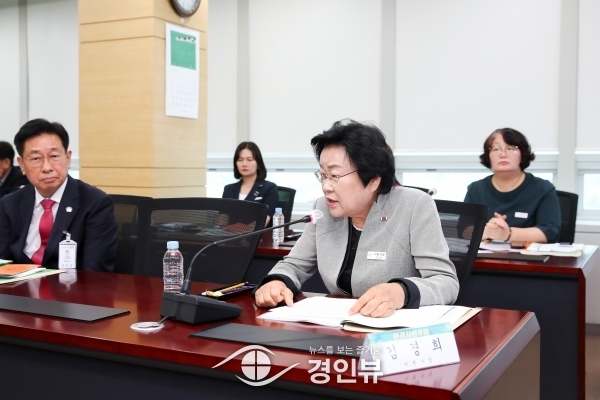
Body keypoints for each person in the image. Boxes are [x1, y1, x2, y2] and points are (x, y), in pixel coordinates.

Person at [254, 119, 458, 317]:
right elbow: (294, 265)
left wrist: (401, 292)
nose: (326, 186)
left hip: (395, 329)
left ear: (373, 180)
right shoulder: (323, 208)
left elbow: (445, 282)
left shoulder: (414, 205)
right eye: (323, 175)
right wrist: (277, 282)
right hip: (339, 326)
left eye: (335, 176)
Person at [0, 118, 118, 271]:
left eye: (54, 156)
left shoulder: (95, 203)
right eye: (36, 159)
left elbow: (94, 272)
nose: (47, 167)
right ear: (22, 164)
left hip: (70, 285)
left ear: (68, 158)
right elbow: (3, 264)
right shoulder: (9, 204)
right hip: (18, 285)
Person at [464, 128, 560, 243]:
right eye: (496, 149)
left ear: (522, 153)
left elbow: (550, 231)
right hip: (485, 254)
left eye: (510, 148)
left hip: (528, 254)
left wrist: (508, 234)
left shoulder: (542, 188)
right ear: (488, 156)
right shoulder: (475, 189)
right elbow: (463, 229)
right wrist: (485, 231)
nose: (503, 154)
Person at [222, 142, 278, 226]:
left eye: (250, 160)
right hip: (229, 233)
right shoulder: (228, 189)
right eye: (240, 160)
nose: (244, 164)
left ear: (258, 163)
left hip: (256, 233)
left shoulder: (269, 188)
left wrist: (242, 230)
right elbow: (223, 219)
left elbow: (264, 220)